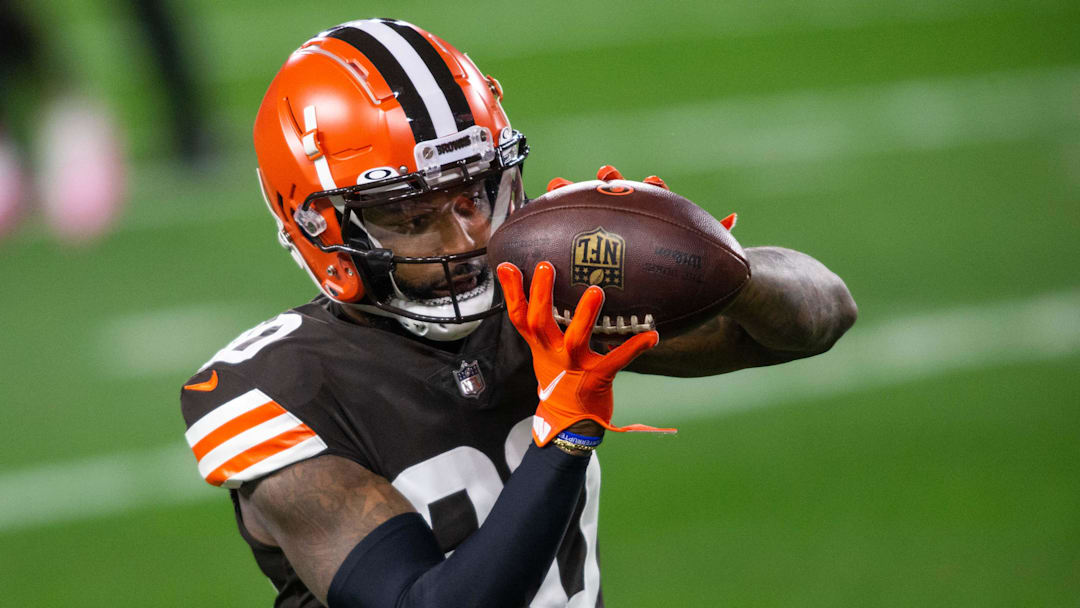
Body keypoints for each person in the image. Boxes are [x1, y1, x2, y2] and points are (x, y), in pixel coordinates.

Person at [179, 18, 857, 608]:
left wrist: (720, 267)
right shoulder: (277, 393)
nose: (466, 238)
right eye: (413, 217)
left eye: (474, 193)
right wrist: (564, 433)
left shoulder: (537, 298)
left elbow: (821, 318)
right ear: (317, 226)